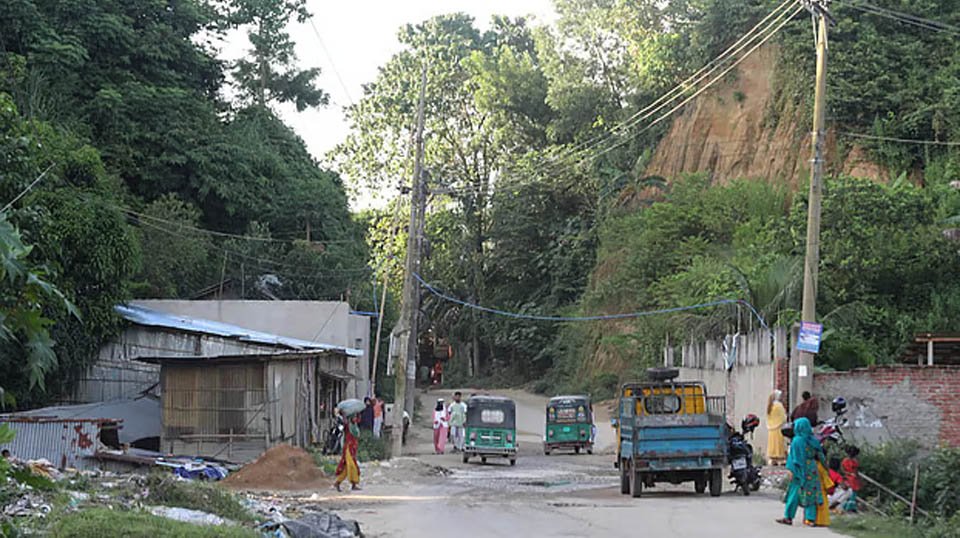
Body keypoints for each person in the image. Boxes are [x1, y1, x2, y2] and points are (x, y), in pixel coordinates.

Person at [777, 417, 826, 527]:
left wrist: (790, 469)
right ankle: (810, 519)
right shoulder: (813, 440)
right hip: (811, 469)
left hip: (798, 470)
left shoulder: (797, 440)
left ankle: (788, 517)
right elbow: (821, 456)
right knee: (811, 494)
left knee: (794, 494)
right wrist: (826, 467)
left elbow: (793, 457)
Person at [334, 415, 361, 491]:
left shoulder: (355, 426)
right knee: (351, 465)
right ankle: (353, 483)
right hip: (348, 448)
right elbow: (341, 429)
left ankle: (338, 483)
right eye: (354, 417)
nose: (355, 418)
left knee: (346, 468)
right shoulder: (347, 425)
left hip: (353, 448)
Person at [766, 390, 788, 466]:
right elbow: (783, 417)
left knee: (772, 444)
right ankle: (780, 459)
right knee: (779, 444)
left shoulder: (770, 405)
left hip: (771, 429)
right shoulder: (779, 406)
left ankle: (773, 459)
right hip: (779, 427)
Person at [840, 445, 862, 513]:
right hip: (851, 479)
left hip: (851, 479)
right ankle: (848, 508)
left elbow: (843, 470)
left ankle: (849, 507)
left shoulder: (846, 461)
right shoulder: (852, 461)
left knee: (851, 494)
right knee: (851, 494)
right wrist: (851, 474)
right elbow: (856, 471)